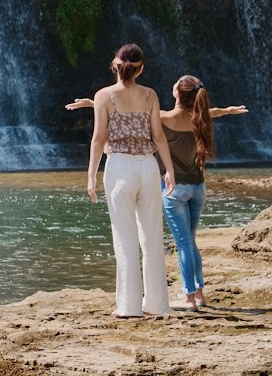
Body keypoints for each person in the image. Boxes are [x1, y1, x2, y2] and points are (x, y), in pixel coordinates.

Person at [68, 77, 248, 309]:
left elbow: (132, 113)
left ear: (177, 94)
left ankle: (189, 297)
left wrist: (94, 104)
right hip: (198, 187)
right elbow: (213, 112)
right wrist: (228, 111)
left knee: (183, 243)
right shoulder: (201, 116)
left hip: (175, 190)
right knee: (190, 242)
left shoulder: (165, 117)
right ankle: (200, 294)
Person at [84, 43, 177, 318]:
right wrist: (169, 170)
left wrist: (91, 174)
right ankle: (158, 305)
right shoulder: (150, 95)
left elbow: (99, 138)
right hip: (149, 167)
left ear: (115, 66)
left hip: (119, 168)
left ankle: (129, 307)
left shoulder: (104, 96)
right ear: (141, 69)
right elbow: (159, 137)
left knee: (125, 240)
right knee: (152, 239)